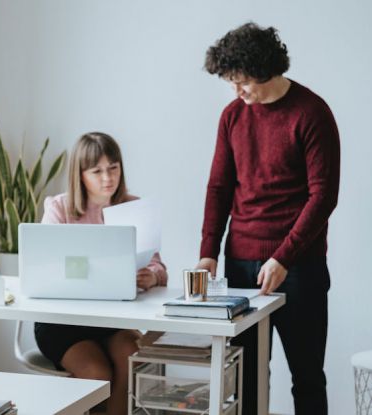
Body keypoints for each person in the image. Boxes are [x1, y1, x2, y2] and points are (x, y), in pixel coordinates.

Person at [196, 22, 340, 415]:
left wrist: (284, 257)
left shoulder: (311, 113)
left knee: (307, 377)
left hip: (299, 268)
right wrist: (208, 252)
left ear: (266, 70)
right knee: (246, 376)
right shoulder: (232, 117)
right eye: (231, 84)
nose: (238, 93)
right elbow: (219, 189)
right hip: (239, 264)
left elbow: (323, 196)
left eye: (243, 83)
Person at [36, 132, 168, 415]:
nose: (107, 178)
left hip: (113, 321)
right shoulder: (59, 207)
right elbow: (43, 266)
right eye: (97, 171)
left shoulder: (133, 206)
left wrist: (153, 276)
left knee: (132, 356)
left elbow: (159, 266)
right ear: (80, 174)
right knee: (98, 374)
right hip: (62, 323)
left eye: (113, 168)